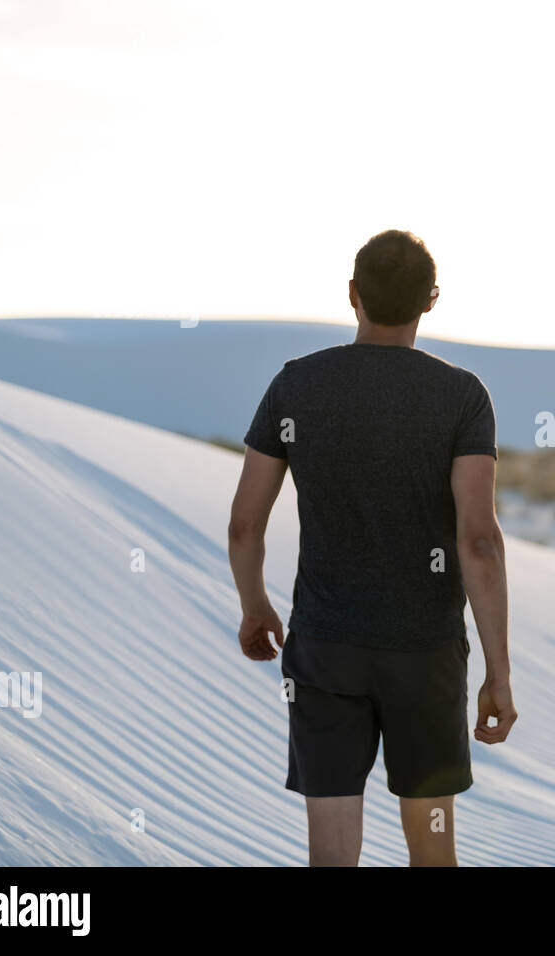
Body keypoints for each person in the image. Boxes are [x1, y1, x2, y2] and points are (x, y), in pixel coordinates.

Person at [227, 229, 516, 866]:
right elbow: (478, 540)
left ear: (352, 295)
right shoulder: (462, 396)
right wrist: (497, 673)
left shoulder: (295, 386)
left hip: (326, 653)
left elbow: (245, 525)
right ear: (431, 300)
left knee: (331, 854)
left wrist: (255, 606)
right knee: (433, 848)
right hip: (427, 658)